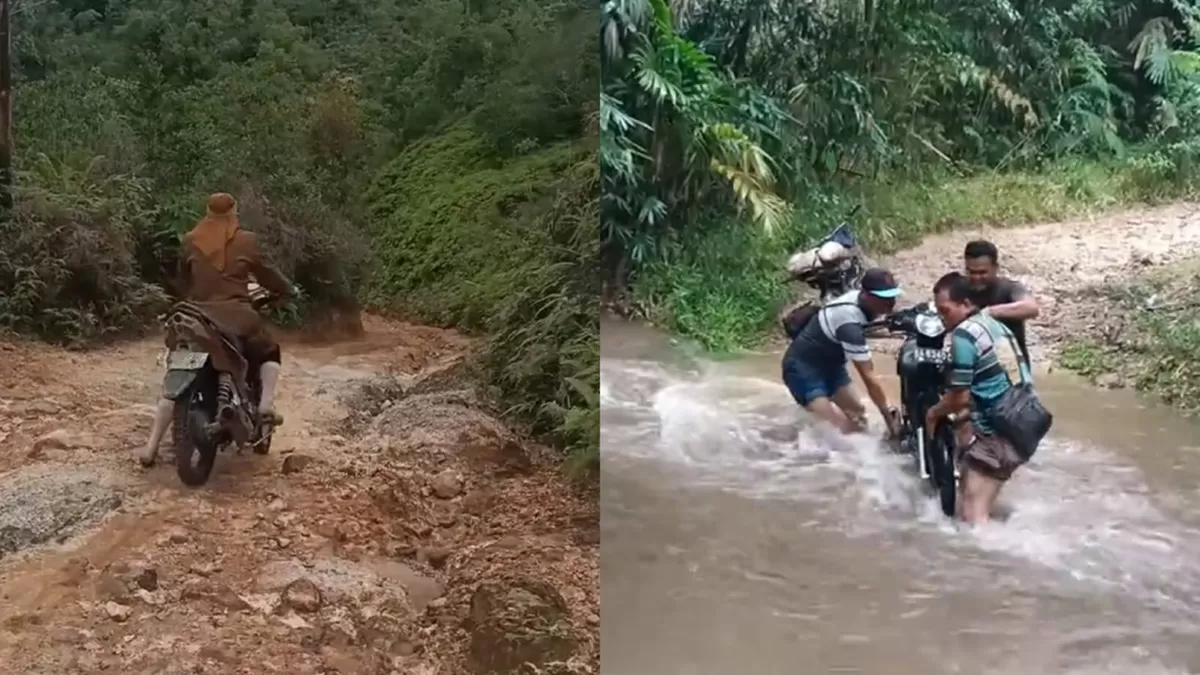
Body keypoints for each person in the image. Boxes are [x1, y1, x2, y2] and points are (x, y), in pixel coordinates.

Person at [137, 193, 294, 467]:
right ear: (234, 212)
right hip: (236, 317)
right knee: (269, 350)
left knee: (173, 379)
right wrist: (287, 290)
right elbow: (269, 275)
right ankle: (266, 404)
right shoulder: (247, 241)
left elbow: (180, 281)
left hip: (195, 317)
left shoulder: (189, 241)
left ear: (207, 212)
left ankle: (150, 447)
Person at [924, 272, 1033, 525]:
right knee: (975, 498)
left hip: (1002, 429)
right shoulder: (993, 324)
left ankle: (988, 562)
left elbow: (959, 397)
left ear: (965, 304)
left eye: (945, 311)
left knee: (971, 516)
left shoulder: (964, 334)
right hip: (1026, 418)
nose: (942, 319)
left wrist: (933, 413)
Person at [781, 268, 903, 437]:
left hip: (832, 367)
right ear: (866, 295)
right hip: (802, 370)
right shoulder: (848, 324)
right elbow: (869, 378)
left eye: (892, 296)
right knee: (838, 431)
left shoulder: (864, 302)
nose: (891, 302)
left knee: (858, 416)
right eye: (884, 298)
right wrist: (888, 417)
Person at [963, 240, 1040, 364]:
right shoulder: (961, 289)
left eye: (982, 272)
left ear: (996, 268)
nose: (976, 277)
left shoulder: (1009, 288)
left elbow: (1031, 308)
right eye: (971, 272)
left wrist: (989, 312)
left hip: (1011, 367)